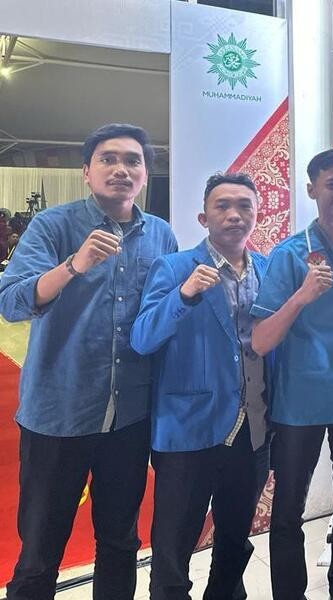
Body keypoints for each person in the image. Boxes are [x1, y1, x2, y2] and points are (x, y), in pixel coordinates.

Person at [0, 123, 178, 599]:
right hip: (59, 414)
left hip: (129, 418)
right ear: (86, 171)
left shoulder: (161, 235)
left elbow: (163, 315)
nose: (121, 169)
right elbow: (11, 302)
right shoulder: (53, 226)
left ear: (145, 174)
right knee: (40, 550)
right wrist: (73, 266)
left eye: (132, 160)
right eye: (107, 159)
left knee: (120, 541)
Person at [131, 172, 271, 600]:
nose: (234, 214)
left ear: (257, 214)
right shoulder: (175, 268)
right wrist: (184, 295)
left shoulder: (267, 269)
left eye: (244, 206)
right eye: (222, 206)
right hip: (188, 427)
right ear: (203, 218)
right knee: (174, 545)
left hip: (253, 427)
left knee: (235, 537)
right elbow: (143, 338)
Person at [250, 148, 333, 600]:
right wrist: (302, 297)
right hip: (300, 401)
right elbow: (260, 339)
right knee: (289, 508)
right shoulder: (290, 255)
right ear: (312, 190)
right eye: (332, 184)